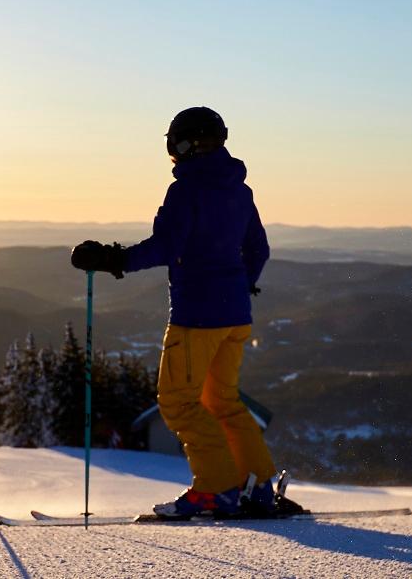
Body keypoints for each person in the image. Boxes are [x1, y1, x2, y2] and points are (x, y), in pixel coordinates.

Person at [70, 106, 299, 519]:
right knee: (223, 401)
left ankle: (217, 489)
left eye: (173, 144)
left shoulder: (187, 189)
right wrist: (236, 283)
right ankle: (258, 486)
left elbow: (164, 247)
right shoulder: (238, 189)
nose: (172, 153)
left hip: (197, 318)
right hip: (236, 315)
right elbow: (259, 250)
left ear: (187, 143)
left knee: (177, 403)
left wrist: (112, 259)